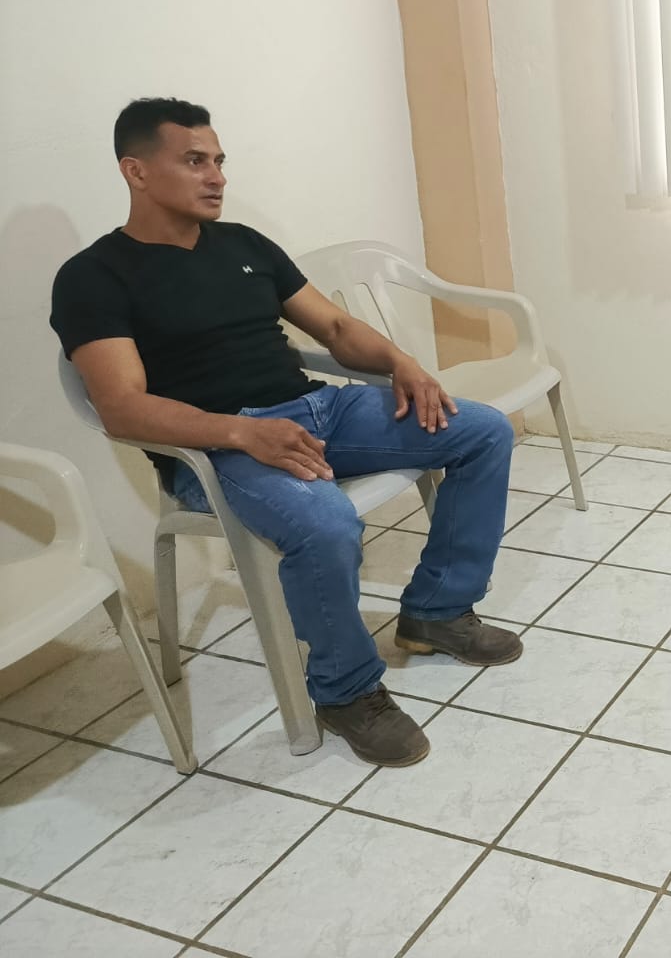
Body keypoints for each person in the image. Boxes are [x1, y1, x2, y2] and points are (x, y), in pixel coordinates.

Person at [50, 98, 522, 767]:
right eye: (194, 161)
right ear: (137, 171)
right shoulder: (93, 277)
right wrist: (242, 435)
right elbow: (122, 407)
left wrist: (401, 363)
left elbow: (334, 328)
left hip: (318, 410)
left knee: (482, 431)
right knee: (325, 523)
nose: (216, 176)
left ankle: (437, 612)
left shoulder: (245, 246)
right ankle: (346, 690)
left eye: (219, 161)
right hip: (217, 448)